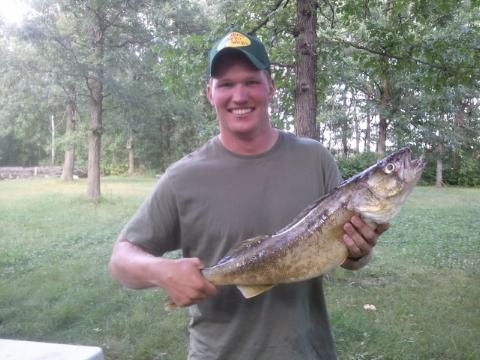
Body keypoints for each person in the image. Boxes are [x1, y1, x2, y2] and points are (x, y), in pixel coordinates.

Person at [109, 30, 389, 360]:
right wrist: (161, 272)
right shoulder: (183, 177)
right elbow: (121, 260)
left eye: (251, 81)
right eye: (226, 84)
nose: (239, 95)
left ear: (271, 87)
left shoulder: (315, 159)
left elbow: (347, 255)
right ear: (209, 93)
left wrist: (358, 251)